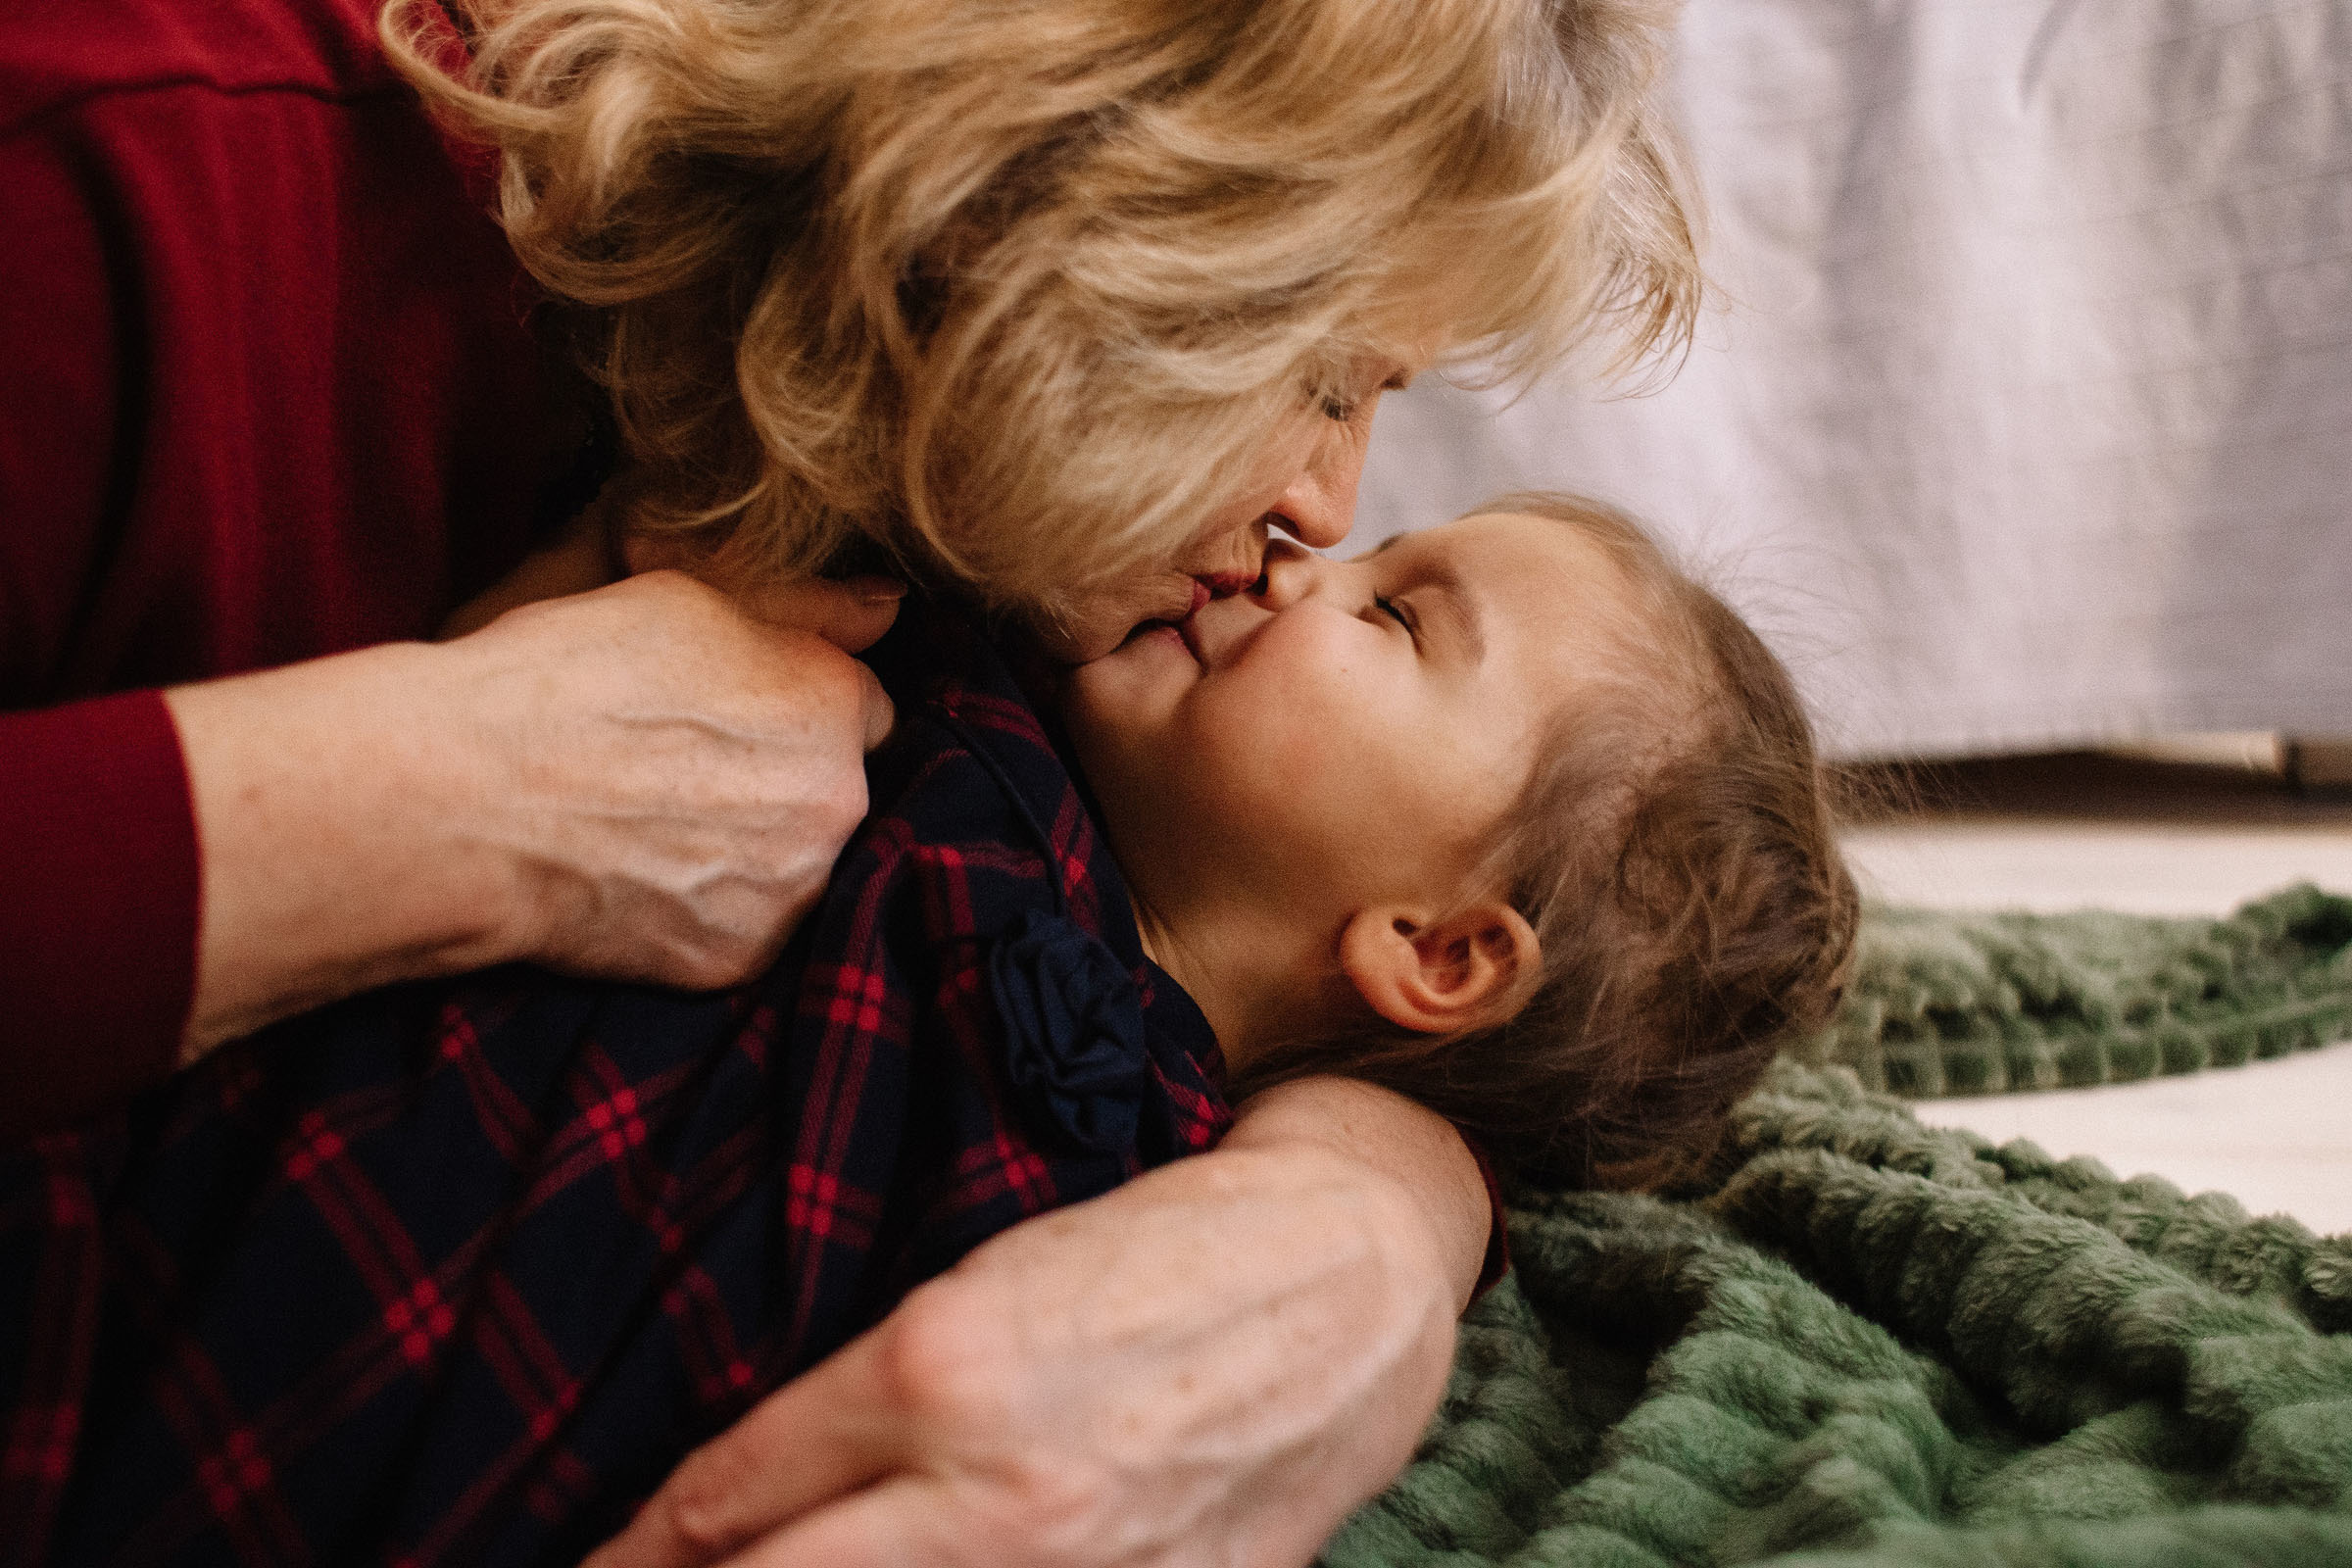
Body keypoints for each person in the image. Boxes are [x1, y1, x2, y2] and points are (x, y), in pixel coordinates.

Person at [0, 0, 1699, 1559]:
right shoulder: (121, 180)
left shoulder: (977, 520)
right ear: (1068, 191)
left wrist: (1363, 1221)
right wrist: (441, 791)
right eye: (1323, 377)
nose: (1324, 511)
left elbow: (1462, 930)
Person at [0, 498, 1857, 1565]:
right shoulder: (964, 692)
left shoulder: (1136, 1211)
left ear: (1437, 955)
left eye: (1393, 615)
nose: (1296, 555)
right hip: (143, 1185)